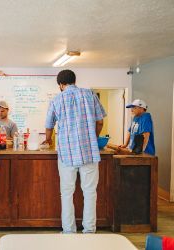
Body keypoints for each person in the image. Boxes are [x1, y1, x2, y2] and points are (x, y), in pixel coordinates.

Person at [42, 69, 106, 234]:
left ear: (61, 85)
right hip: (89, 152)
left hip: (67, 154)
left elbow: (49, 126)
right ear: (74, 81)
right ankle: (89, 231)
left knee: (67, 193)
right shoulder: (90, 95)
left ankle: (69, 231)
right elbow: (100, 122)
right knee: (90, 192)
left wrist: (48, 139)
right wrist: (94, 137)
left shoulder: (57, 99)